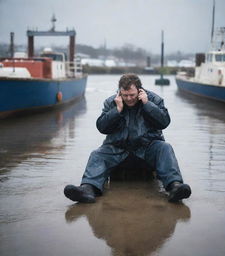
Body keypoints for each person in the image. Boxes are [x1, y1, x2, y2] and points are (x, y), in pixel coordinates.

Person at [64, 73, 191, 203]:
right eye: (125, 95)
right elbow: (102, 128)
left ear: (140, 91)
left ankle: (175, 187)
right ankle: (87, 189)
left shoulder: (153, 100)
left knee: (165, 148)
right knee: (97, 154)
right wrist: (117, 110)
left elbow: (164, 122)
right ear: (120, 92)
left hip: (147, 148)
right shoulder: (111, 102)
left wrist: (147, 105)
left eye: (132, 95)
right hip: (118, 150)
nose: (129, 99)